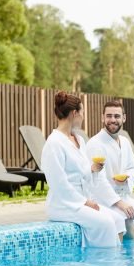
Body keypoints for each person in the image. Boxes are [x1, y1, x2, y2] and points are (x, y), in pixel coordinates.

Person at [41, 91, 126, 248]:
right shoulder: (54, 143)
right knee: (106, 223)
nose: (83, 117)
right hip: (64, 205)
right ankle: (102, 264)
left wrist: (92, 169)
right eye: (82, 113)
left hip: (82, 201)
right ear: (74, 113)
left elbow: (81, 172)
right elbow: (59, 184)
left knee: (119, 220)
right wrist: (84, 202)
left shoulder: (78, 139)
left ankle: (115, 263)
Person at [86, 100, 134, 239]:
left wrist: (126, 179)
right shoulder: (95, 144)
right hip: (104, 201)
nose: (112, 120)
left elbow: (133, 167)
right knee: (127, 217)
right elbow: (98, 181)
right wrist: (120, 204)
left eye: (116, 116)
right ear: (102, 117)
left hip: (123, 196)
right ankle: (130, 249)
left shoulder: (125, 142)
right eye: (109, 116)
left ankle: (132, 244)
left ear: (124, 118)